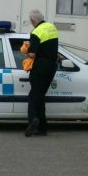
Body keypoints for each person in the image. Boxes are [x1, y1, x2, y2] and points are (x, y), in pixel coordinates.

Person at [25, 9, 58, 137]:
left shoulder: (36, 32)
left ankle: (34, 120)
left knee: (33, 95)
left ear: (33, 21)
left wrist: (25, 51)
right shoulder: (52, 27)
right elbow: (50, 46)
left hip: (40, 66)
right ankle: (42, 127)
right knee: (39, 95)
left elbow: (32, 54)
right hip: (51, 66)